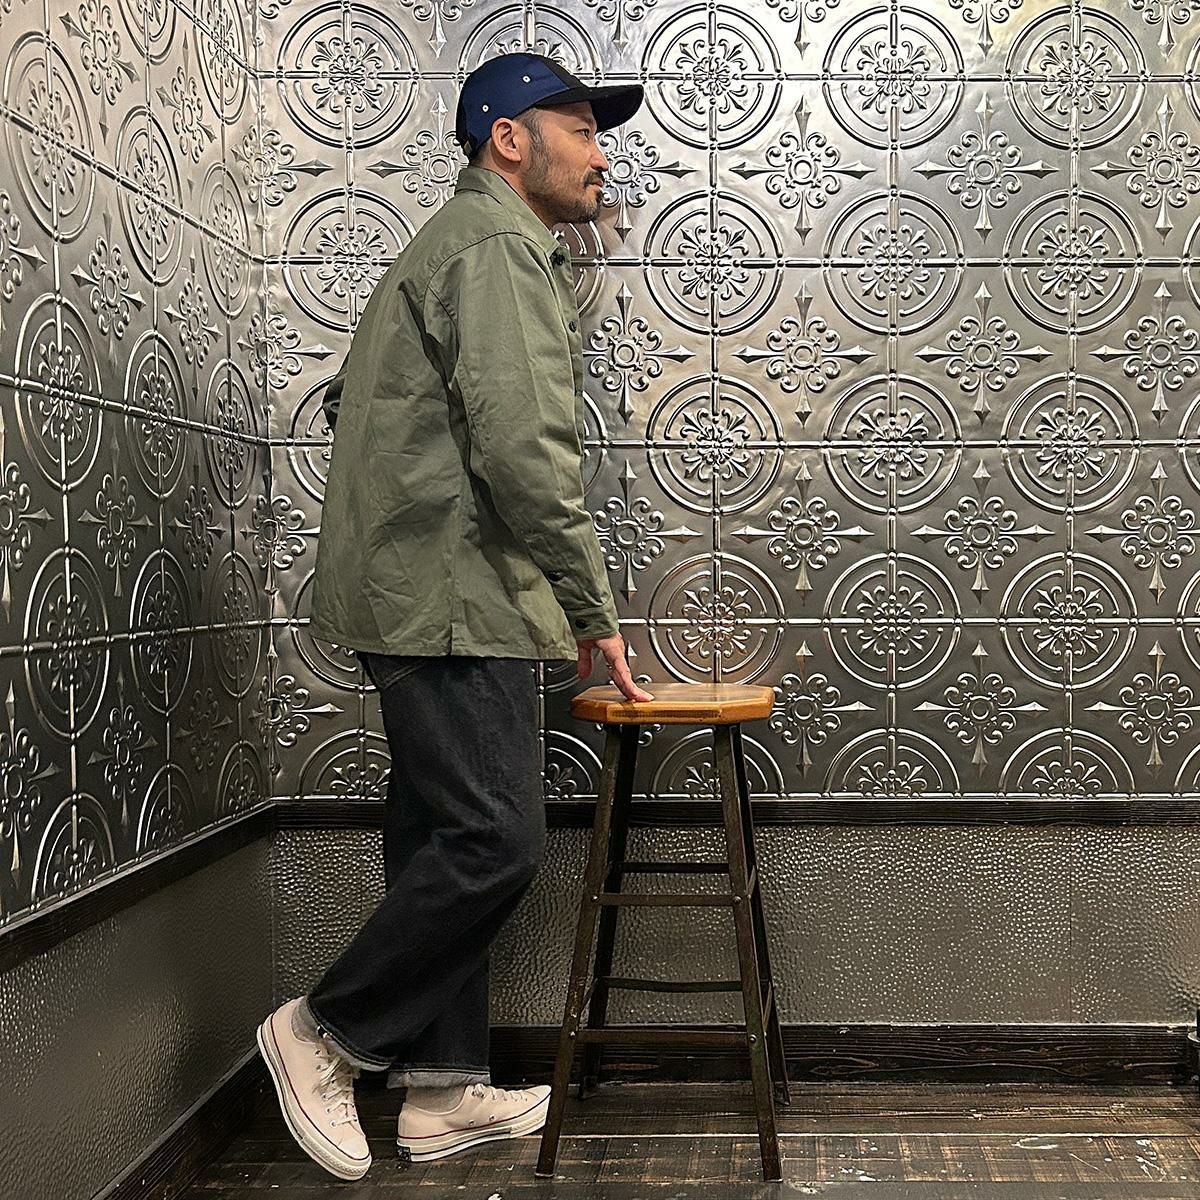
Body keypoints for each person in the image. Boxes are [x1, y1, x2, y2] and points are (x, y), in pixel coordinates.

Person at [254, 53, 655, 1181]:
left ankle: (439, 1091)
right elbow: (525, 449)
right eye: (582, 128)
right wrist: (592, 605)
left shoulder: (455, 245)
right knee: (495, 842)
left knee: (440, 835)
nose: (602, 153)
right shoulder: (494, 248)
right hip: (453, 598)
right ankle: (323, 1034)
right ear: (509, 140)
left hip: (421, 591)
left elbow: (359, 400)